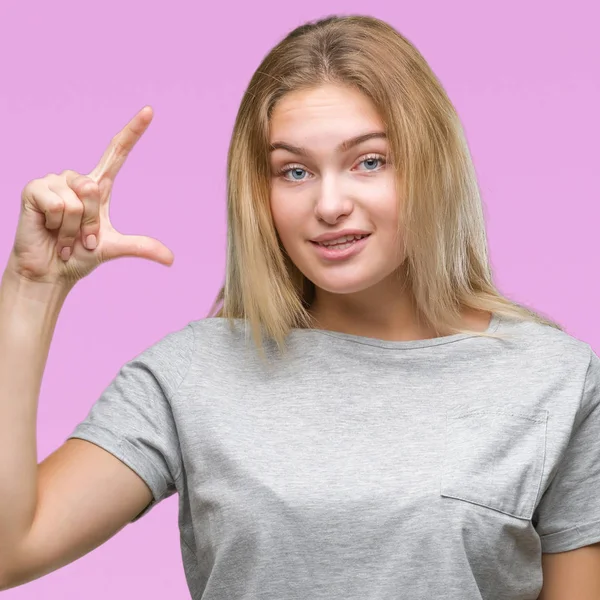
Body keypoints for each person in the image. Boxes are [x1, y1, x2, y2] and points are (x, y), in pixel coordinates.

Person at [0, 13, 599, 600]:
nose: (329, 203)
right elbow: (10, 550)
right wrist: (32, 286)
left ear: (432, 165)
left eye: (370, 161)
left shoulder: (555, 381)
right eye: (294, 171)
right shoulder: (190, 375)